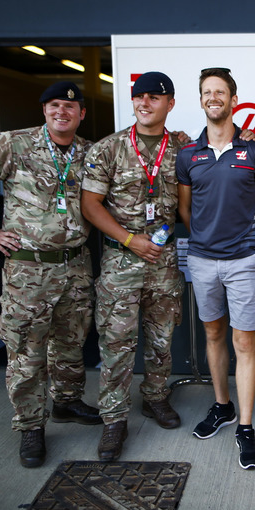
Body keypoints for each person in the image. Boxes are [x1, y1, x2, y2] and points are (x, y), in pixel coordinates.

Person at [0, 81, 101, 469]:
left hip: (75, 265)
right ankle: (31, 426)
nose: (62, 112)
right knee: (26, 350)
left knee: (71, 340)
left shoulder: (89, 152)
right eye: (54, 105)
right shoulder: (12, 143)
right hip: (28, 270)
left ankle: (66, 403)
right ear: (44, 110)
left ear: (81, 113)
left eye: (70, 107)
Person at [81, 71, 186, 461]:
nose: (144, 103)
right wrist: (129, 240)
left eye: (154, 98)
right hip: (122, 261)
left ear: (170, 104)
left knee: (161, 340)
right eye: (138, 96)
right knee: (116, 342)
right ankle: (113, 418)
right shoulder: (108, 148)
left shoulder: (182, 148)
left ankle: (156, 398)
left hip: (163, 261)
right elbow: (90, 205)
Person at [176, 67, 255, 470]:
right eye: (206, 92)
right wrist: (205, 239)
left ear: (234, 99)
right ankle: (222, 406)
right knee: (212, 332)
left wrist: (246, 240)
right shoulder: (188, 155)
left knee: (244, 343)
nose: (213, 97)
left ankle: (246, 428)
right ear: (200, 100)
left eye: (220, 92)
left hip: (242, 261)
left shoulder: (254, 153)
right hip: (201, 260)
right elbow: (184, 208)